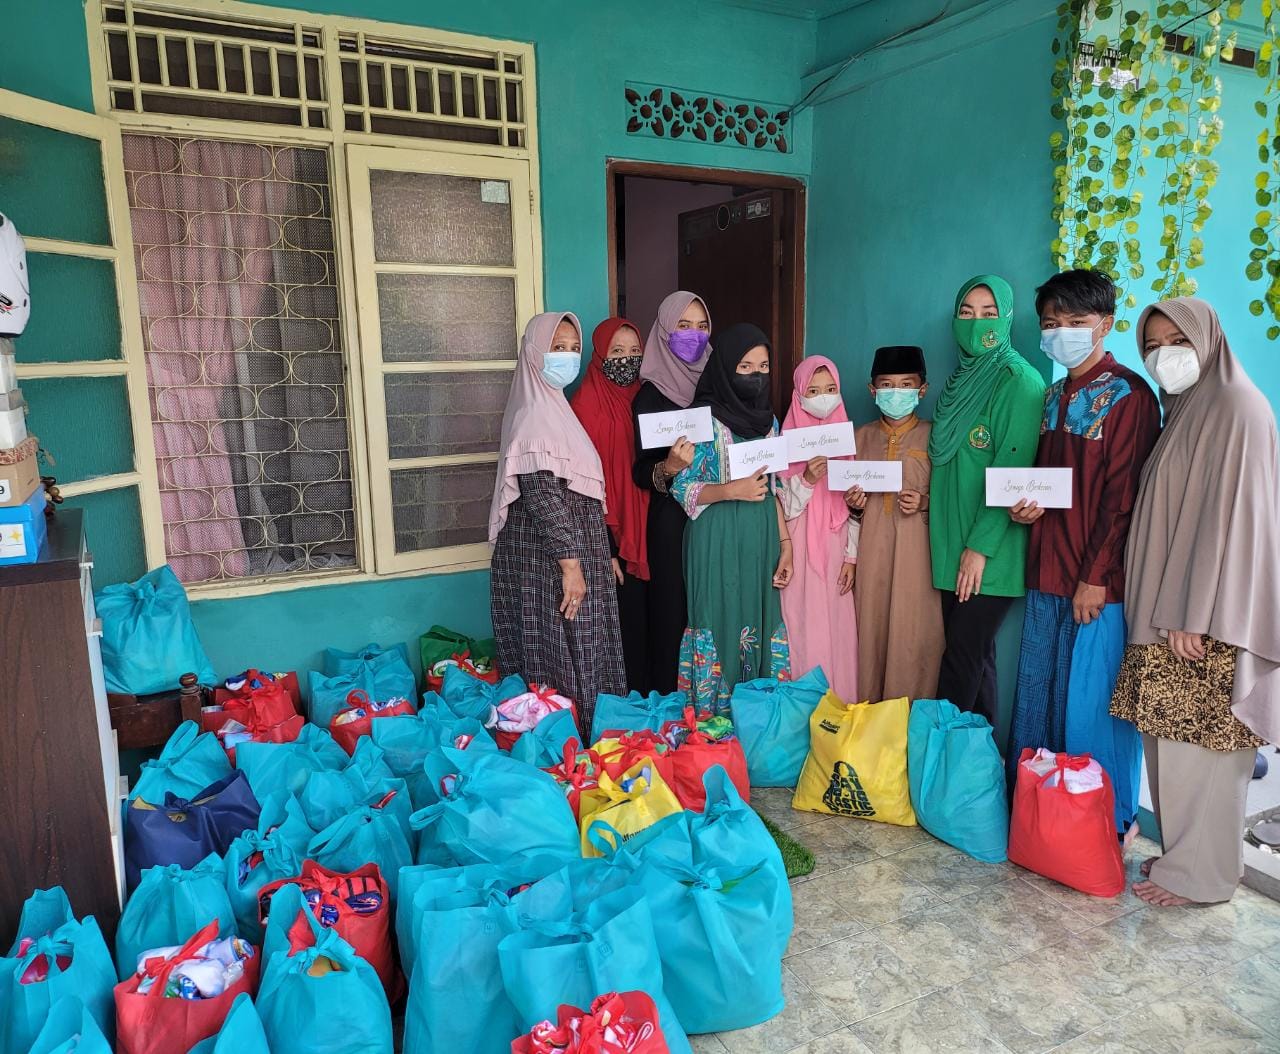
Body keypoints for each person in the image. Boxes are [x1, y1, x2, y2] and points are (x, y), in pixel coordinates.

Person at [1111, 297, 1280, 906]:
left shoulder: (1237, 409)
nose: (1162, 357)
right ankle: (1184, 859)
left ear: (1208, 339)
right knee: (1174, 747)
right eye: (1152, 345)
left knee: (1205, 751)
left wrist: (1194, 613)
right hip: (1169, 618)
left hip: (1202, 623)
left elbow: (1232, 523)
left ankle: (1203, 878)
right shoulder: (1186, 409)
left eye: (1175, 341)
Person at [1005, 270, 1160, 842]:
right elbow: (1050, 485)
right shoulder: (1052, 397)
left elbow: (1124, 499)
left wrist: (1096, 578)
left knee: (1091, 708)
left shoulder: (1128, 396)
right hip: (1046, 574)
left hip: (1096, 587)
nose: (1062, 333)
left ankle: (1102, 826)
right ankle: (1045, 818)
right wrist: (1027, 510)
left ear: (1106, 325)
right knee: (1040, 701)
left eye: (1075, 323)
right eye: (1051, 324)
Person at [489, 312, 626, 735]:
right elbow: (544, 497)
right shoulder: (534, 416)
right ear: (533, 353)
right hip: (548, 561)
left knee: (581, 647)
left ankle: (588, 745)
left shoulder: (556, 410)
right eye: (556, 347)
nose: (566, 357)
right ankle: (566, 750)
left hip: (573, 554)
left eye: (571, 348)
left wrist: (600, 554)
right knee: (559, 652)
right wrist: (572, 567)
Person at [929, 274, 1046, 726]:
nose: (976, 323)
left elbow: (1012, 474)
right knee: (977, 662)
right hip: (952, 546)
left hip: (986, 554)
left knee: (960, 663)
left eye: (989, 313)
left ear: (1008, 317)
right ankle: (979, 771)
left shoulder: (1018, 380)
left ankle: (942, 764)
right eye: (967, 313)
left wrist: (978, 549)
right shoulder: (961, 382)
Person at [672, 322, 792, 710]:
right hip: (715, 536)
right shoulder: (699, 422)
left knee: (759, 619)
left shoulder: (769, 422)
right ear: (724, 368)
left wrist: (785, 546)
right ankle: (710, 730)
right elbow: (682, 488)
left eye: (763, 366)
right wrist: (730, 491)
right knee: (716, 617)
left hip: (760, 538)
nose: (756, 376)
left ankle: (756, 726)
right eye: (745, 367)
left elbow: (772, 490)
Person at [846, 345, 944, 704]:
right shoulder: (859, 438)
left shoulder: (936, 437)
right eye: (887, 385)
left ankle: (908, 731)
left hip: (918, 559)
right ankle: (870, 729)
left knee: (913, 636)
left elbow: (952, 500)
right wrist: (854, 506)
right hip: (871, 554)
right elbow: (845, 507)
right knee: (869, 634)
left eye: (906, 385)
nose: (896, 393)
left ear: (922, 390)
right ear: (873, 391)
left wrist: (924, 501)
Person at [630, 291, 713, 693]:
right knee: (672, 612)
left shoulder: (715, 386)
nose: (693, 335)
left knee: (708, 609)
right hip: (671, 522)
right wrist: (669, 468)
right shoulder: (651, 395)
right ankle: (670, 708)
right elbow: (640, 470)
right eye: (683, 326)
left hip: (714, 515)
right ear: (664, 331)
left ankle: (709, 702)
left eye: (701, 327)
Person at [570, 317, 651, 691]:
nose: (627, 359)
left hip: (651, 526)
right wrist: (606, 548)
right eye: (617, 351)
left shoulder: (647, 397)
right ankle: (625, 718)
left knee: (654, 622)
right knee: (624, 628)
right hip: (612, 539)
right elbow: (582, 487)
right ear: (600, 354)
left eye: (635, 351)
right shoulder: (585, 405)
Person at [777, 356, 858, 700]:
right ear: (798, 395)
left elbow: (854, 510)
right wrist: (807, 479)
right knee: (803, 631)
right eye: (813, 390)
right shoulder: (785, 440)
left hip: (837, 546)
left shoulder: (845, 437)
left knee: (838, 635)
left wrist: (852, 557)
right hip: (798, 548)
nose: (823, 397)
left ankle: (839, 720)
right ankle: (801, 720)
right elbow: (782, 507)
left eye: (830, 389)